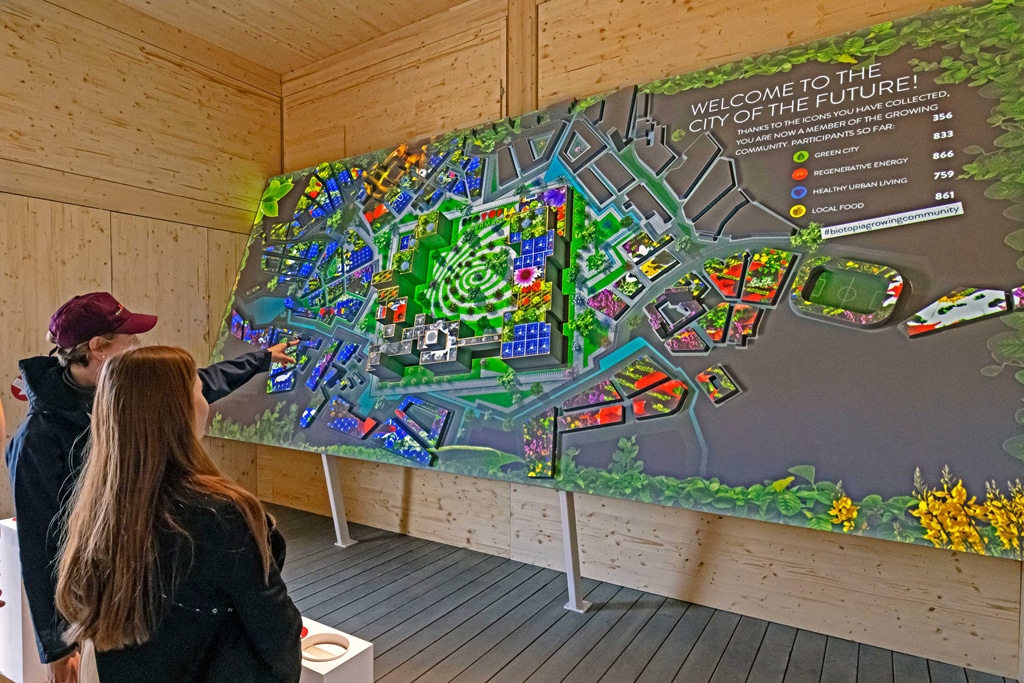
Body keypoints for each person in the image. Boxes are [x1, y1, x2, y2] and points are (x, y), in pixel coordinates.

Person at [4, 292, 295, 682]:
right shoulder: (38, 440)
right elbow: (40, 548)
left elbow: (207, 380)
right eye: (130, 339)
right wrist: (57, 647)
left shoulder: (126, 390)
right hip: (112, 615)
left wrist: (260, 358)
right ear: (98, 347)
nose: (138, 345)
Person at [55, 346, 301, 682]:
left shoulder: (99, 507)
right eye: (198, 390)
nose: (205, 400)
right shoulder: (221, 515)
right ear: (177, 411)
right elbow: (277, 635)